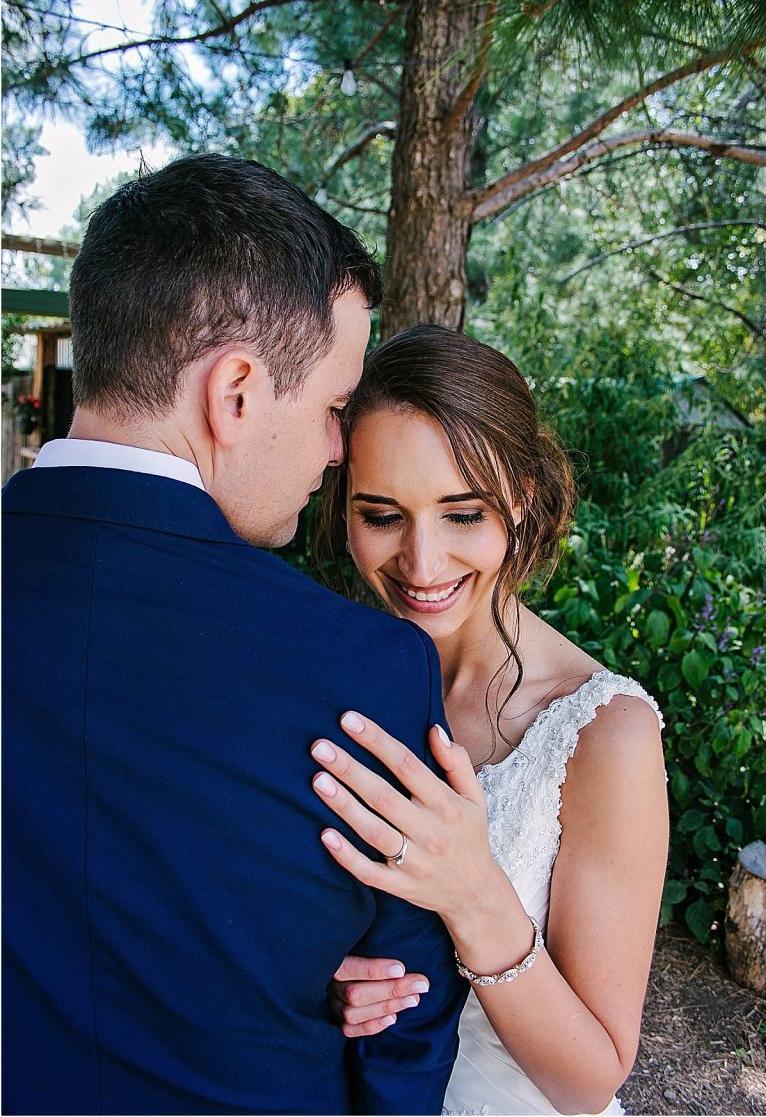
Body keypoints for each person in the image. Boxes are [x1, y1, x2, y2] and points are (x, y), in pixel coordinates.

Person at [2, 157, 467, 1116]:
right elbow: (406, 1023)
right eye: (333, 407)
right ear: (237, 392)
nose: (336, 449)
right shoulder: (367, 670)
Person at [309, 325, 670, 1116]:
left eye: (462, 514)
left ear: (523, 499)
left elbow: (591, 1079)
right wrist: (336, 986)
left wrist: (473, 893)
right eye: (383, 515)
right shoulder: (332, 683)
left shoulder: (603, 734)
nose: (422, 563)